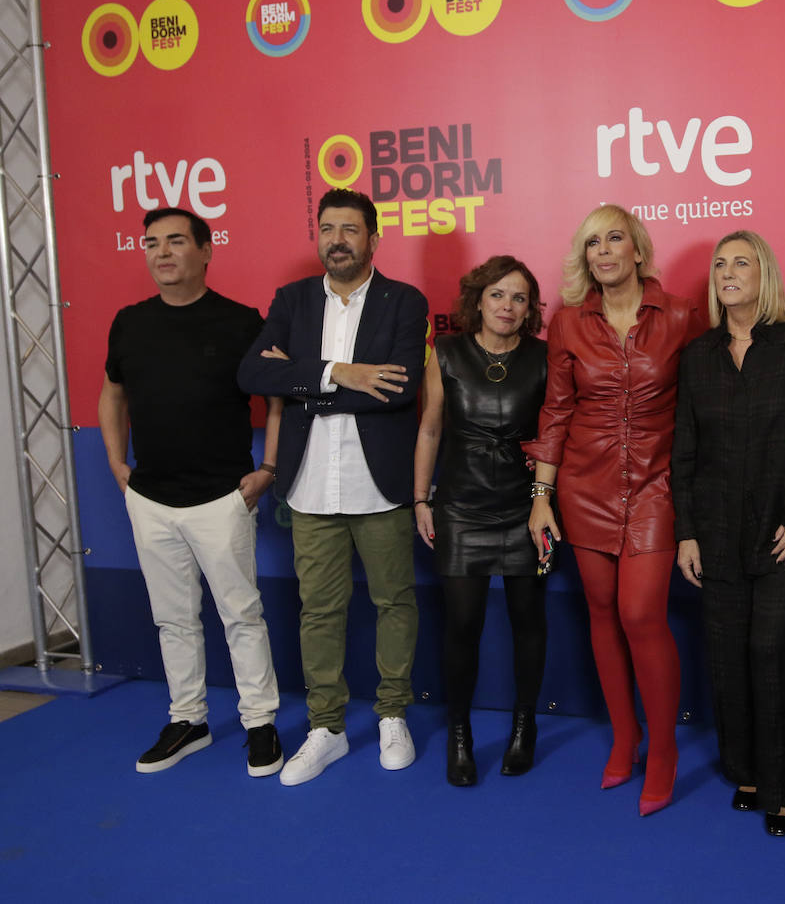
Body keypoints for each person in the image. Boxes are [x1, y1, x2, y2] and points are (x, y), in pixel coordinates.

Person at [238, 187, 428, 786]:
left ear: (374, 238)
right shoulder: (292, 301)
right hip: (310, 484)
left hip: (380, 484)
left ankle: (393, 712)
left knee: (394, 602)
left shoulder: (404, 301)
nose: (337, 239)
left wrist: (302, 387)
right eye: (328, 229)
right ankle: (328, 727)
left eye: (350, 229)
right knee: (319, 610)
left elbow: (397, 389)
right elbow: (252, 372)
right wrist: (338, 374)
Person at [524, 204, 705, 817]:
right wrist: (542, 498)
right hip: (584, 487)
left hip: (655, 486)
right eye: (592, 242)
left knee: (639, 615)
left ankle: (664, 752)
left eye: (614, 239)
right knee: (601, 610)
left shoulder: (681, 314)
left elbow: (707, 397)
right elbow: (554, 412)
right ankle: (625, 737)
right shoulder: (569, 324)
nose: (603, 251)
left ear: (636, 249)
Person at [99, 207, 283, 776]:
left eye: (176, 241)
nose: (162, 253)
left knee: (241, 616)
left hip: (222, 497)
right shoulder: (129, 322)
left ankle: (260, 723)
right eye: (152, 243)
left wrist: (269, 467)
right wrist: (115, 463)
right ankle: (189, 720)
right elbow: (112, 394)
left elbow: (277, 398)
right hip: (151, 499)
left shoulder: (241, 322)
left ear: (206, 250)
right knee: (172, 619)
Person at [672, 231, 785, 837]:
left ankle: (782, 789)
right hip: (716, 535)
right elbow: (685, 453)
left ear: (767, 273)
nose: (729, 272)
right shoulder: (697, 355)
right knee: (728, 658)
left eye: (743, 262)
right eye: (720, 264)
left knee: (771, 653)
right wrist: (687, 534)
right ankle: (748, 772)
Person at [414, 255, 548, 787]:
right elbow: (428, 429)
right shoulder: (445, 352)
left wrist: (545, 476)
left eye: (519, 298)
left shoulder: (543, 357)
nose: (508, 306)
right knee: (462, 626)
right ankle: (460, 734)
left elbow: (559, 430)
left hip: (526, 509)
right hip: (461, 506)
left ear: (529, 308)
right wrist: (421, 499)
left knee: (528, 622)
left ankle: (524, 727)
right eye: (498, 295)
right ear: (478, 299)